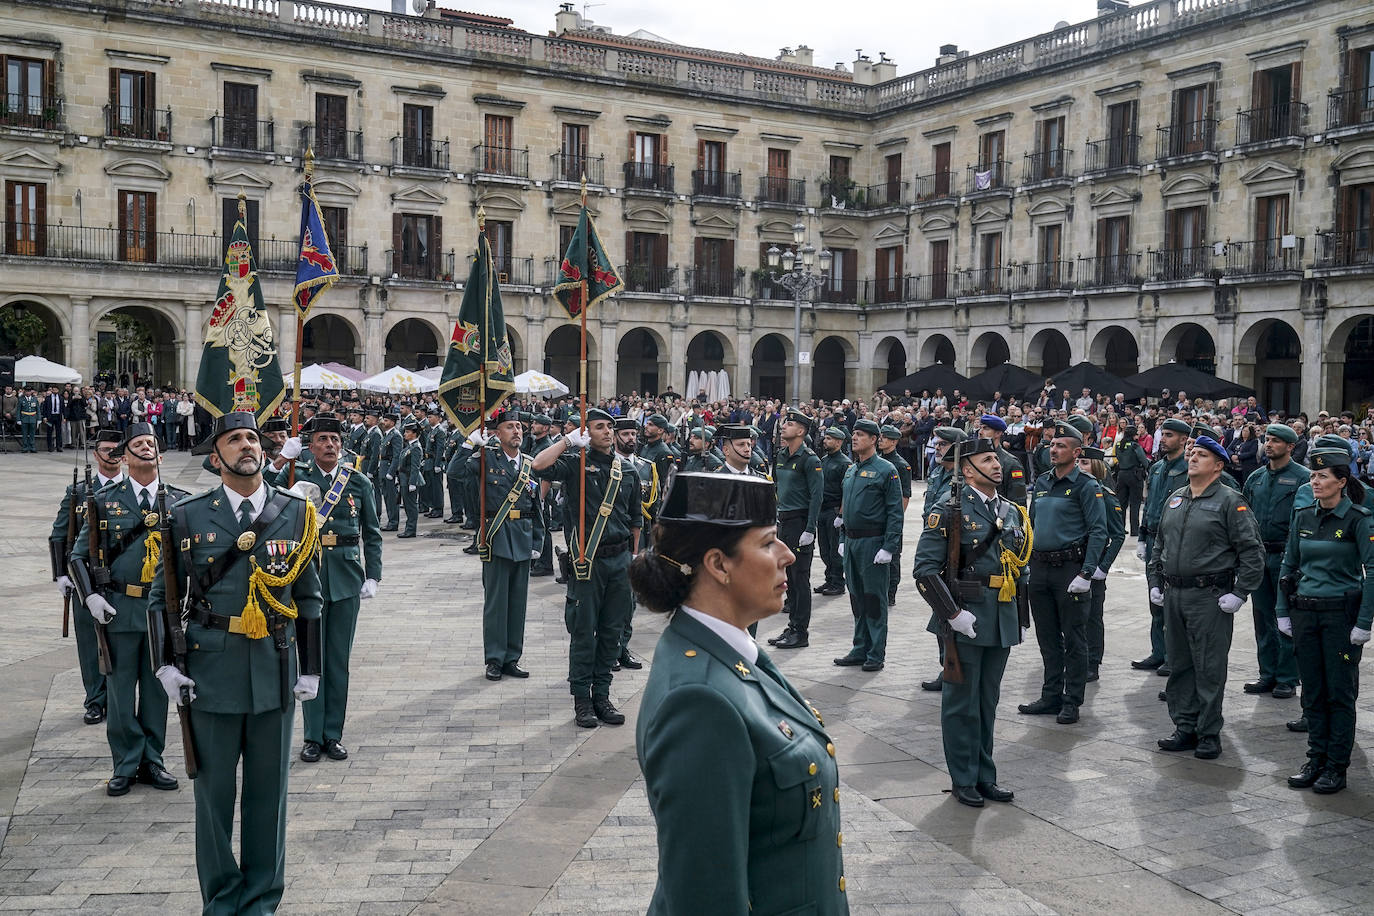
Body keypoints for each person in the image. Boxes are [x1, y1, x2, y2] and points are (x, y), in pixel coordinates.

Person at [629, 472, 847, 914]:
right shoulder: (699, 702)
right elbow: (705, 896)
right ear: (719, 564)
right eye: (768, 543)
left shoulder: (733, 650)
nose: (786, 555)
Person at [146, 411, 322, 914]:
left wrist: (309, 668)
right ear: (215, 455)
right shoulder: (187, 514)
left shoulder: (295, 511)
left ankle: (262, 899)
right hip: (209, 673)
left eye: (252, 437)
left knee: (269, 799)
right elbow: (162, 597)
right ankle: (222, 899)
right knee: (214, 798)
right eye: (233, 439)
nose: (247, 445)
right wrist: (164, 666)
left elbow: (309, 598)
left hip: (274, 668)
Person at [67, 422, 188, 797]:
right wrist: (90, 597)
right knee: (120, 693)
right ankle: (124, 763)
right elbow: (77, 558)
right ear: (125, 456)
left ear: (161, 455)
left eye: (152, 443)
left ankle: (153, 760)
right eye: (138, 443)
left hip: (160, 612)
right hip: (118, 609)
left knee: (156, 691)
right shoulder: (103, 500)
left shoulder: (180, 501)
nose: (147, 448)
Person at [913, 438, 1031, 807]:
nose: (997, 465)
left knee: (987, 703)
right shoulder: (949, 510)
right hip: (966, 615)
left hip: (1001, 618)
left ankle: (985, 776)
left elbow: (1019, 566)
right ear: (967, 470)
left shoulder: (1011, 511)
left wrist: (1021, 615)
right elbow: (925, 571)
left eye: (997, 458)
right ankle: (963, 778)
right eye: (987, 459)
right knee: (961, 704)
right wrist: (953, 615)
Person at [267, 413, 383, 763]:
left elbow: (372, 534)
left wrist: (373, 575)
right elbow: (266, 499)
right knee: (310, 658)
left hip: (347, 580)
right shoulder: (295, 476)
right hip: (308, 579)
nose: (329, 445)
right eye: (322, 439)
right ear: (310, 446)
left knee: (338, 661)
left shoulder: (357, 481)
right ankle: (311, 736)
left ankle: (333, 733)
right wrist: (281, 460)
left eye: (334, 439)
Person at [1149, 435, 1264, 760]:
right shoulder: (1176, 498)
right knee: (1180, 665)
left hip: (1210, 597)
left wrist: (1240, 593)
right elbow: (1161, 543)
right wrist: (1155, 580)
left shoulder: (1230, 500)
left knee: (1209, 667)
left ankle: (1209, 733)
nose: (1193, 458)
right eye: (1192, 453)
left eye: (1201, 455)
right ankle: (1185, 726)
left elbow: (1252, 551)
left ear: (1218, 465)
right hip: (1174, 594)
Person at [536, 408, 642, 728]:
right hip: (587, 562)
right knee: (584, 631)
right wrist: (567, 441)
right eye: (599, 427)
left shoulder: (627, 471)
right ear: (587, 433)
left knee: (612, 633)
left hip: (620, 560)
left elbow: (635, 520)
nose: (608, 432)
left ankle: (602, 696)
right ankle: (582, 699)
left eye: (610, 427)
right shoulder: (576, 465)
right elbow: (539, 465)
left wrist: (634, 558)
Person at [1278, 447, 1373, 795]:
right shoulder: (1303, 516)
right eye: (1313, 476)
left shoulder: (1358, 519)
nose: (1314, 481)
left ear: (1342, 481)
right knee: (1313, 692)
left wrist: (1364, 621)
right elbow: (1289, 565)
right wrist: (1281, 611)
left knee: (1339, 693)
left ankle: (1336, 766)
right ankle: (1315, 758)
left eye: (1322, 476)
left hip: (1340, 617)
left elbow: (1373, 572)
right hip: (1305, 612)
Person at [1019, 421, 1108, 725]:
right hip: (1040, 568)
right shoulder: (1042, 482)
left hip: (1070, 570)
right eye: (1051, 445)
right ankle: (1050, 694)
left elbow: (1099, 531)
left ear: (1077, 451)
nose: (1052, 450)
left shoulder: (1086, 485)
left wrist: (1087, 572)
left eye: (1060, 446)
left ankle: (1072, 700)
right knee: (1047, 637)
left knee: (1073, 637)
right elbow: (1031, 526)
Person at [51, 428, 125, 725]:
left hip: (122, 580)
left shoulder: (133, 489)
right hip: (86, 579)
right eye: (107, 450)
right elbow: (59, 534)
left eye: (118, 451)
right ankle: (95, 700)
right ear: (96, 455)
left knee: (123, 645)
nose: (113, 456)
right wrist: (60, 574)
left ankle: (119, 699)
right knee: (89, 644)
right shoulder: (79, 492)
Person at [466, 410, 546, 681]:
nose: (517, 431)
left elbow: (537, 508)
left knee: (517, 604)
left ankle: (513, 657)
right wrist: (470, 444)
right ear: (497, 433)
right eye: (510, 427)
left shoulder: (529, 463)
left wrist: (538, 541)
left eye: (520, 427)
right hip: (497, 538)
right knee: (496, 604)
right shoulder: (487, 458)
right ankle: (495, 659)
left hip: (522, 538)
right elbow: (455, 472)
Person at [1240, 423, 1308, 701]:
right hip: (1259, 555)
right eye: (1267, 440)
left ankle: (1287, 677)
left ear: (1291, 447)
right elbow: (1242, 517)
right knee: (1262, 617)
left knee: (1286, 619)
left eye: (1276, 441)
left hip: (1287, 556)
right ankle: (1267, 673)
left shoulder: (1303, 477)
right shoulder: (1255, 478)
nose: (1269, 445)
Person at [832, 418, 903, 672]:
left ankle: (875, 653)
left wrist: (889, 547)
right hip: (851, 541)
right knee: (856, 598)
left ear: (874, 439)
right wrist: (842, 539)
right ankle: (859, 647)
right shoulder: (851, 470)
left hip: (873, 544)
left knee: (874, 600)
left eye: (860, 434)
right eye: (853, 434)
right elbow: (845, 509)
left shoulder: (886, 470)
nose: (854, 438)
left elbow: (896, 512)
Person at [1132, 417, 1192, 674]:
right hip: (1155, 538)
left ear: (1182, 439)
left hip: (1175, 541)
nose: (1163, 439)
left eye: (1169, 435)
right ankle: (1158, 651)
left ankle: (1173, 655)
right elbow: (1150, 505)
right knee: (1155, 598)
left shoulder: (1189, 468)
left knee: (1173, 604)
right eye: (1162, 434)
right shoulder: (1157, 468)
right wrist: (1143, 537)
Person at [767, 408, 823, 650]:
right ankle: (792, 626)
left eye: (788, 425)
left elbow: (816, 497)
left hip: (801, 523)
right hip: (784, 523)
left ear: (800, 431)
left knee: (800, 578)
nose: (783, 428)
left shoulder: (810, 460)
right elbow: (775, 490)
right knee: (788, 577)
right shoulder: (781, 455)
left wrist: (810, 529)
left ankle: (801, 632)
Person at [920, 426, 968, 692]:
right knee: (939, 609)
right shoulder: (938, 472)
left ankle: (954, 668)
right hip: (936, 550)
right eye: (936, 444)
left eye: (943, 444)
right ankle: (946, 666)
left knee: (950, 610)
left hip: (955, 555)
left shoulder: (963, 477)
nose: (937, 448)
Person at [1076, 446, 1126, 683]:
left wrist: (1102, 567)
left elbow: (1117, 535)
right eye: (1078, 462)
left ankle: (1092, 662)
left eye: (1085, 462)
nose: (1079, 466)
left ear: (1096, 466)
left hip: (1093, 565)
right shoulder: (1073, 491)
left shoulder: (1106, 495)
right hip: (1072, 563)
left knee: (1092, 617)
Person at [614, 417, 656, 670]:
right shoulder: (608, 464)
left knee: (629, 599)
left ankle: (623, 647)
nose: (631, 438)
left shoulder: (646, 467)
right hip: (615, 536)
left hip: (639, 538)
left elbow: (655, 502)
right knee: (613, 600)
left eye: (633, 433)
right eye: (626, 434)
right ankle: (610, 648)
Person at [814, 426, 851, 598]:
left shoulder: (844, 463)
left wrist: (841, 515)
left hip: (835, 510)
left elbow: (847, 492)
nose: (825, 441)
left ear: (839, 442)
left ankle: (838, 582)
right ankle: (829, 579)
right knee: (824, 548)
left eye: (829, 439)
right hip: (823, 509)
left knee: (835, 550)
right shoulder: (824, 459)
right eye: (825, 438)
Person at [877, 424, 912, 606]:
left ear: (894, 441)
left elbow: (905, 496)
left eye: (885, 437)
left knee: (893, 558)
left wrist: (895, 519)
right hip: (876, 517)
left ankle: (891, 592)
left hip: (891, 518)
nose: (880, 440)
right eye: (880, 436)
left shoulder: (900, 465)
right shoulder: (876, 460)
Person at [977, 413, 1027, 505]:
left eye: (986, 428)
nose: (980, 432)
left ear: (998, 433)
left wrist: (1002, 518)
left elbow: (1018, 502)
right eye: (980, 428)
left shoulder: (1011, 463)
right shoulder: (975, 459)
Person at [1113, 425, 1149, 536]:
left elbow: (1117, 458)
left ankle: (1120, 528)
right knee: (1135, 503)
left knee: (1121, 504)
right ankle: (1134, 530)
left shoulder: (1119, 444)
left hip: (1121, 475)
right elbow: (1144, 461)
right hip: (1134, 475)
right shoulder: (1135, 445)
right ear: (1134, 435)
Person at [395, 418, 424, 538]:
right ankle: (409, 528)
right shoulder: (409, 446)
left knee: (411, 506)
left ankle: (411, 529)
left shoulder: (416, 447)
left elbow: (415, 467)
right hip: (404, 479)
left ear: (414, 434)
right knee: (407, 505)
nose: (405, 434)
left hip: (409, 479)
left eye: (407, 432)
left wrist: (412, 483)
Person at [378, 412, 402, 531]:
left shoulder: (395, 435)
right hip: (383, 468)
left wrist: (391, 472)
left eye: (386, 421)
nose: (384, 422)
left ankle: (393, 522)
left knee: (392, 498)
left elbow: (397, 456)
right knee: (387, 497)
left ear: (392, 423)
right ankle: (390, 521)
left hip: (388, 469)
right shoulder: (387, 434)